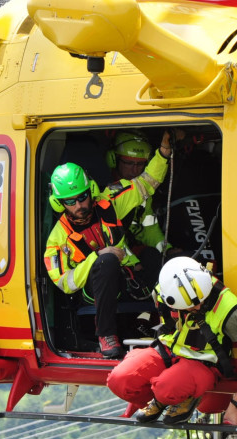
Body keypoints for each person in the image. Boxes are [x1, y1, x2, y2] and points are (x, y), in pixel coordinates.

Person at [43, 132, 174, 358]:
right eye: (70, 202)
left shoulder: (110, 202)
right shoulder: (57, 240)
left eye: (82, 197)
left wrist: (163, 152)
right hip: (92, 292)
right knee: (106, 261)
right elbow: (64, 282)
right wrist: (98, 257)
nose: (79, 205)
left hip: (128, 279)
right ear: (58, 203)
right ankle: (106, 335)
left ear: (91, 191)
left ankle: (172, 326)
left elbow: (147, 183)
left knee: (156, 258)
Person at [107, 256, 237, 426]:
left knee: (167, 389)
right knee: (120, 381)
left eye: (201, 300)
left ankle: (179, 396)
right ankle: (161, 399)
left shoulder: (226, 305)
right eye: (191, 305)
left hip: (202, 361)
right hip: (167, 350)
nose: (198, 307)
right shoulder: (163, 291)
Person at [105, 130, 182, 283]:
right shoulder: (108, 194)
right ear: (114, 159)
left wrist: (166, 250)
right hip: (118, 260)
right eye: (129, 163)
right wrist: (134, 263)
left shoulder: (142, 193)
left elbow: (148, 228)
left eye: (140, 164)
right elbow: (111, 239)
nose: (135, 169)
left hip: (135, 250)